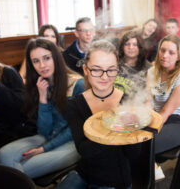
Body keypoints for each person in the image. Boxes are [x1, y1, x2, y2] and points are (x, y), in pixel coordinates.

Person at [57, 40, 140, 189]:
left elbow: (133, 154)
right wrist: (114, 127)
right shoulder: (75, 104)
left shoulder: (127, 101)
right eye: (96, 69)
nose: (104, 76)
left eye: (111, 69)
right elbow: (84, 151)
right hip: (85, 172)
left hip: (115, 179)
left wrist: (132, 128)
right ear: (86, 70)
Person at [0, 38, 83, 178]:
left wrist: (44, 149)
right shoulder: (40, 84)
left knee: (16, 172)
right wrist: (43, 98)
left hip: (72, 142)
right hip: (48, 136)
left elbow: (75, 129)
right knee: (3, 155)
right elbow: (44, 130)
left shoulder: (77, 84)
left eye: (47, 58)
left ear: (56, 58)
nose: (42, 65)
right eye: (36, 61)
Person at [147, 34, 180, 180]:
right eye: (162, 50)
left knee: (142, 142)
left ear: (179, 56)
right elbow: (148, 101)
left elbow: (165, 113)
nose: (165, 55)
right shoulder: (152, 72)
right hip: (156, 115)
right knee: (132, 139)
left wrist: (144, 129)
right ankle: (151, 169)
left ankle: (151, 173)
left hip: (177, 122)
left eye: (171, 52)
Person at [114, 30, 151, 97]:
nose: (131, 47)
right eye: (127, 44)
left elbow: (149, 95)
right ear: (122, 47)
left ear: (140, 47)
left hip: (133, 105)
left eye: (135, 44)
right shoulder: (114, 63)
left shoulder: (148, 68)